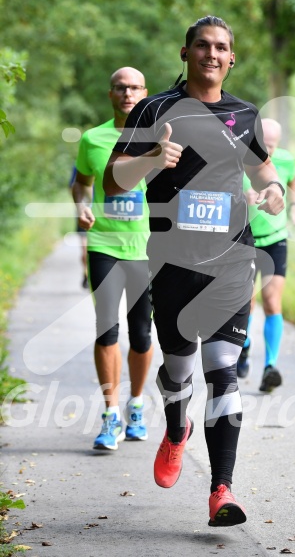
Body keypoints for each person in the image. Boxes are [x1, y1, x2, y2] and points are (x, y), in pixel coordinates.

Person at [103, 17, 284, 526]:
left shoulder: (245, 115)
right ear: (185, 53)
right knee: (178, 370)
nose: (211, 53)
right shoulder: (155, 108)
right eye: (202, 45)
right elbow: (113, 181)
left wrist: (274, 193)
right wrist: (153, 159)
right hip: (173, 262)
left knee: (223, 372)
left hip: (232, 260)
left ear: (232, 59)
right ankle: (176, 424)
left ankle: (221, 490)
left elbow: (264, 172)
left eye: (221, 47)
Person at [72, 67, 154, 451]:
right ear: (110, 94)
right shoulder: (93, 139)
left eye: (134, 87)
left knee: (141, 334)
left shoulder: (160, 137)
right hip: (104, 245)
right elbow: (82, 184)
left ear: (145, 92)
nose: (127, 93)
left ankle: (136, 405)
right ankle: (111, 414)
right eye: (120, 88)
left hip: (146, 250)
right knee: (106, 329)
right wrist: (82, 207)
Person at [237, 118, 295, 391]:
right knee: (246, 303)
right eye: (263, 145)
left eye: (272, 146)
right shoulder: (240, 158)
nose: (268, 151)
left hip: (276, 239)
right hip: (245, 240)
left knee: (272, 300)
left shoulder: (286, 159)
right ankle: (244, 346)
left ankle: (270, 367)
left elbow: (293, 180)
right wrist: (241, 196)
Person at [69, 165, 89, 289]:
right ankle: (86, 274)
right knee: (85, 250)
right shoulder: (79, 165)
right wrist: (80, 207)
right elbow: (72, 186)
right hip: (84, 211)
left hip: (104, 212)